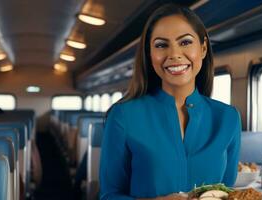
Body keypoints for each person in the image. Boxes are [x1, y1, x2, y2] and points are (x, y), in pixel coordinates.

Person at [99, 3, 241, 200]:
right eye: (161, 45)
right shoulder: (123, 116)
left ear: (203, 48)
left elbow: (226, 192)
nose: (174, 54)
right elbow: (109, 195)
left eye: (185, 42)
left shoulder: (228, 118)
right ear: (150, 55)